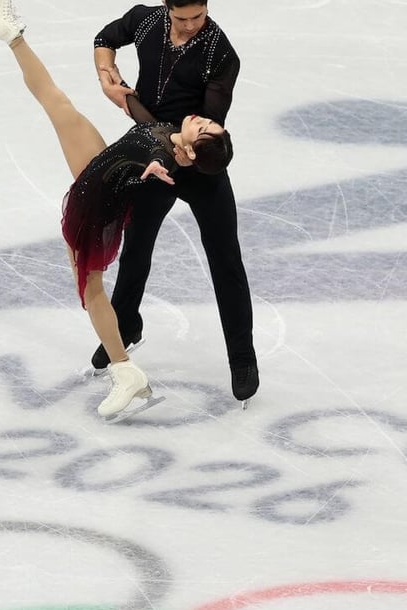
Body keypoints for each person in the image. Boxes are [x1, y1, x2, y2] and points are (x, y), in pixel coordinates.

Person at [0, 0, 234, 419]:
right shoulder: (169, 130)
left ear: (192, 152)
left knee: (90, 291)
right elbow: (142, 116)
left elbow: (149, 171)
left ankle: (125, 371)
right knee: (56, 103)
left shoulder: (167, 162)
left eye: (204, 127)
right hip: (94, 166)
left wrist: (151, 171)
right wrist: (121, 93)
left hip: (94, 204)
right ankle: (9, 32)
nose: (201, 118)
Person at [92, 0, 260, 406]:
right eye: (181, 18)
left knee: (225, 260)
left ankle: (242, 357)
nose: (189, 26)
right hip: (155, 160)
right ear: (167, 8)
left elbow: (208, 127)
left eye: (197, 17)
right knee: (136, 250)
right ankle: (127, 324)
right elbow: (105, 38)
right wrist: (105, 74)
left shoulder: (220, 53)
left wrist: (130, 106)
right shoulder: (147, 19)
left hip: (198, 165)